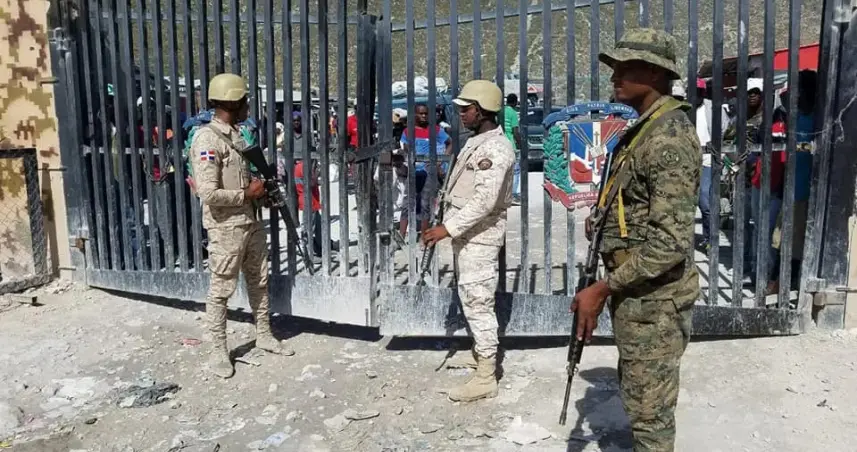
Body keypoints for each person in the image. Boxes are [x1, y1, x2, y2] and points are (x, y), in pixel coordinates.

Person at [571, 29, 700, 451]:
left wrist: (603, 288)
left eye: (627, 68)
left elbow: (670, 242)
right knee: (638, 395)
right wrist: (604, 220)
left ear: (657, 74)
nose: (615, 77)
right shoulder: (647, 128)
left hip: (655, 300)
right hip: (639, 293)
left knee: (650, 415)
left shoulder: (667, 137)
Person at [191, 73, 294, 379]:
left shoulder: (238, 135)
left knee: (258, 281)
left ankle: (263, 334)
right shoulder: (207, 139)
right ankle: (218, 351)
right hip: (226, 228)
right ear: (232, 102)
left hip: (251, 221)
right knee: (221, 289)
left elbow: (243, 178)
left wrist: (261, 194)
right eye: (245, 100)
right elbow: (207, 193)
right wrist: (246, 194)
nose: (248, 105)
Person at [422, 80, 515, 402]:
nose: (461, 114)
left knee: (478, 302)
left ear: (483, 110)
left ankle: (487, 376)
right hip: (469, 235)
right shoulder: (478, 141)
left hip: (480, 237)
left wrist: (447, 228)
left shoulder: (495, 149)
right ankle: (480, 355)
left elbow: (485, 201)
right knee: (471, 296)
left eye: (467, 109)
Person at [399, 103, 453, 236]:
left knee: (425, 204)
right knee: (407, 203)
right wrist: (408, 152)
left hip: (429, 170)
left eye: (426, 114)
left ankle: (424, 236)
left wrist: (440, 162)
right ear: (414, 115)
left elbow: (450, 143)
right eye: (421, 113)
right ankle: (401, 235)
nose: (424, 116)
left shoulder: (435, 130)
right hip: (414, 171)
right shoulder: (408, 131)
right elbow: (404, 145)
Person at [503, 94, 523, 204]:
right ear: (515, 102)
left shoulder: (501, 112)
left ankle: (503, 195)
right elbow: (515, 132)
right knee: (515, 170)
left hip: (500, 143)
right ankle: (513, 195)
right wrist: (521, 145)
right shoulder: (513, 113)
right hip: (510, 144)